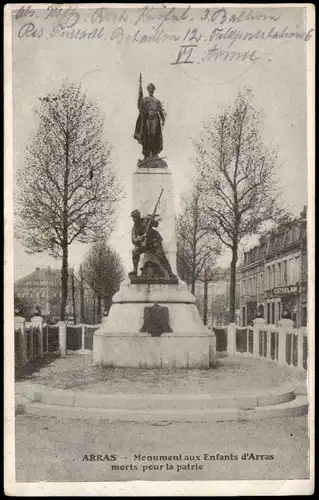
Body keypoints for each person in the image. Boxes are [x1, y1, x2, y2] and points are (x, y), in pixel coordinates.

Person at [129, 209, 177, 279]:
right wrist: (142, 237)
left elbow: (156, 224)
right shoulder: (134, 228)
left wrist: (151, 220)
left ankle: (170, 273)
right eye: (133, 217)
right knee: (135, 251)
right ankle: (135, 271)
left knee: (161, 257)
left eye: (136, 217)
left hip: (154, 241)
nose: (134, 219)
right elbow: (134, 240)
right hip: (145, 244)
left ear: (139, 216)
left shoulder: (146, 220)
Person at [134, 82, 165, 160]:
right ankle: (147, 154)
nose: (151, 90)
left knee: (154, 135)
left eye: (152, 89)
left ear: (154, 90)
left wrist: (163, 119)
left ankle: (154, 153)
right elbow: (140, 107)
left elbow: (160, 111)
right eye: (149, 89)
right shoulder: (145, 99)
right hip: (147, 118)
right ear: (148, 90)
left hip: (155, 119)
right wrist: (140, 94)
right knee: (147, 135)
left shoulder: (157, 101)